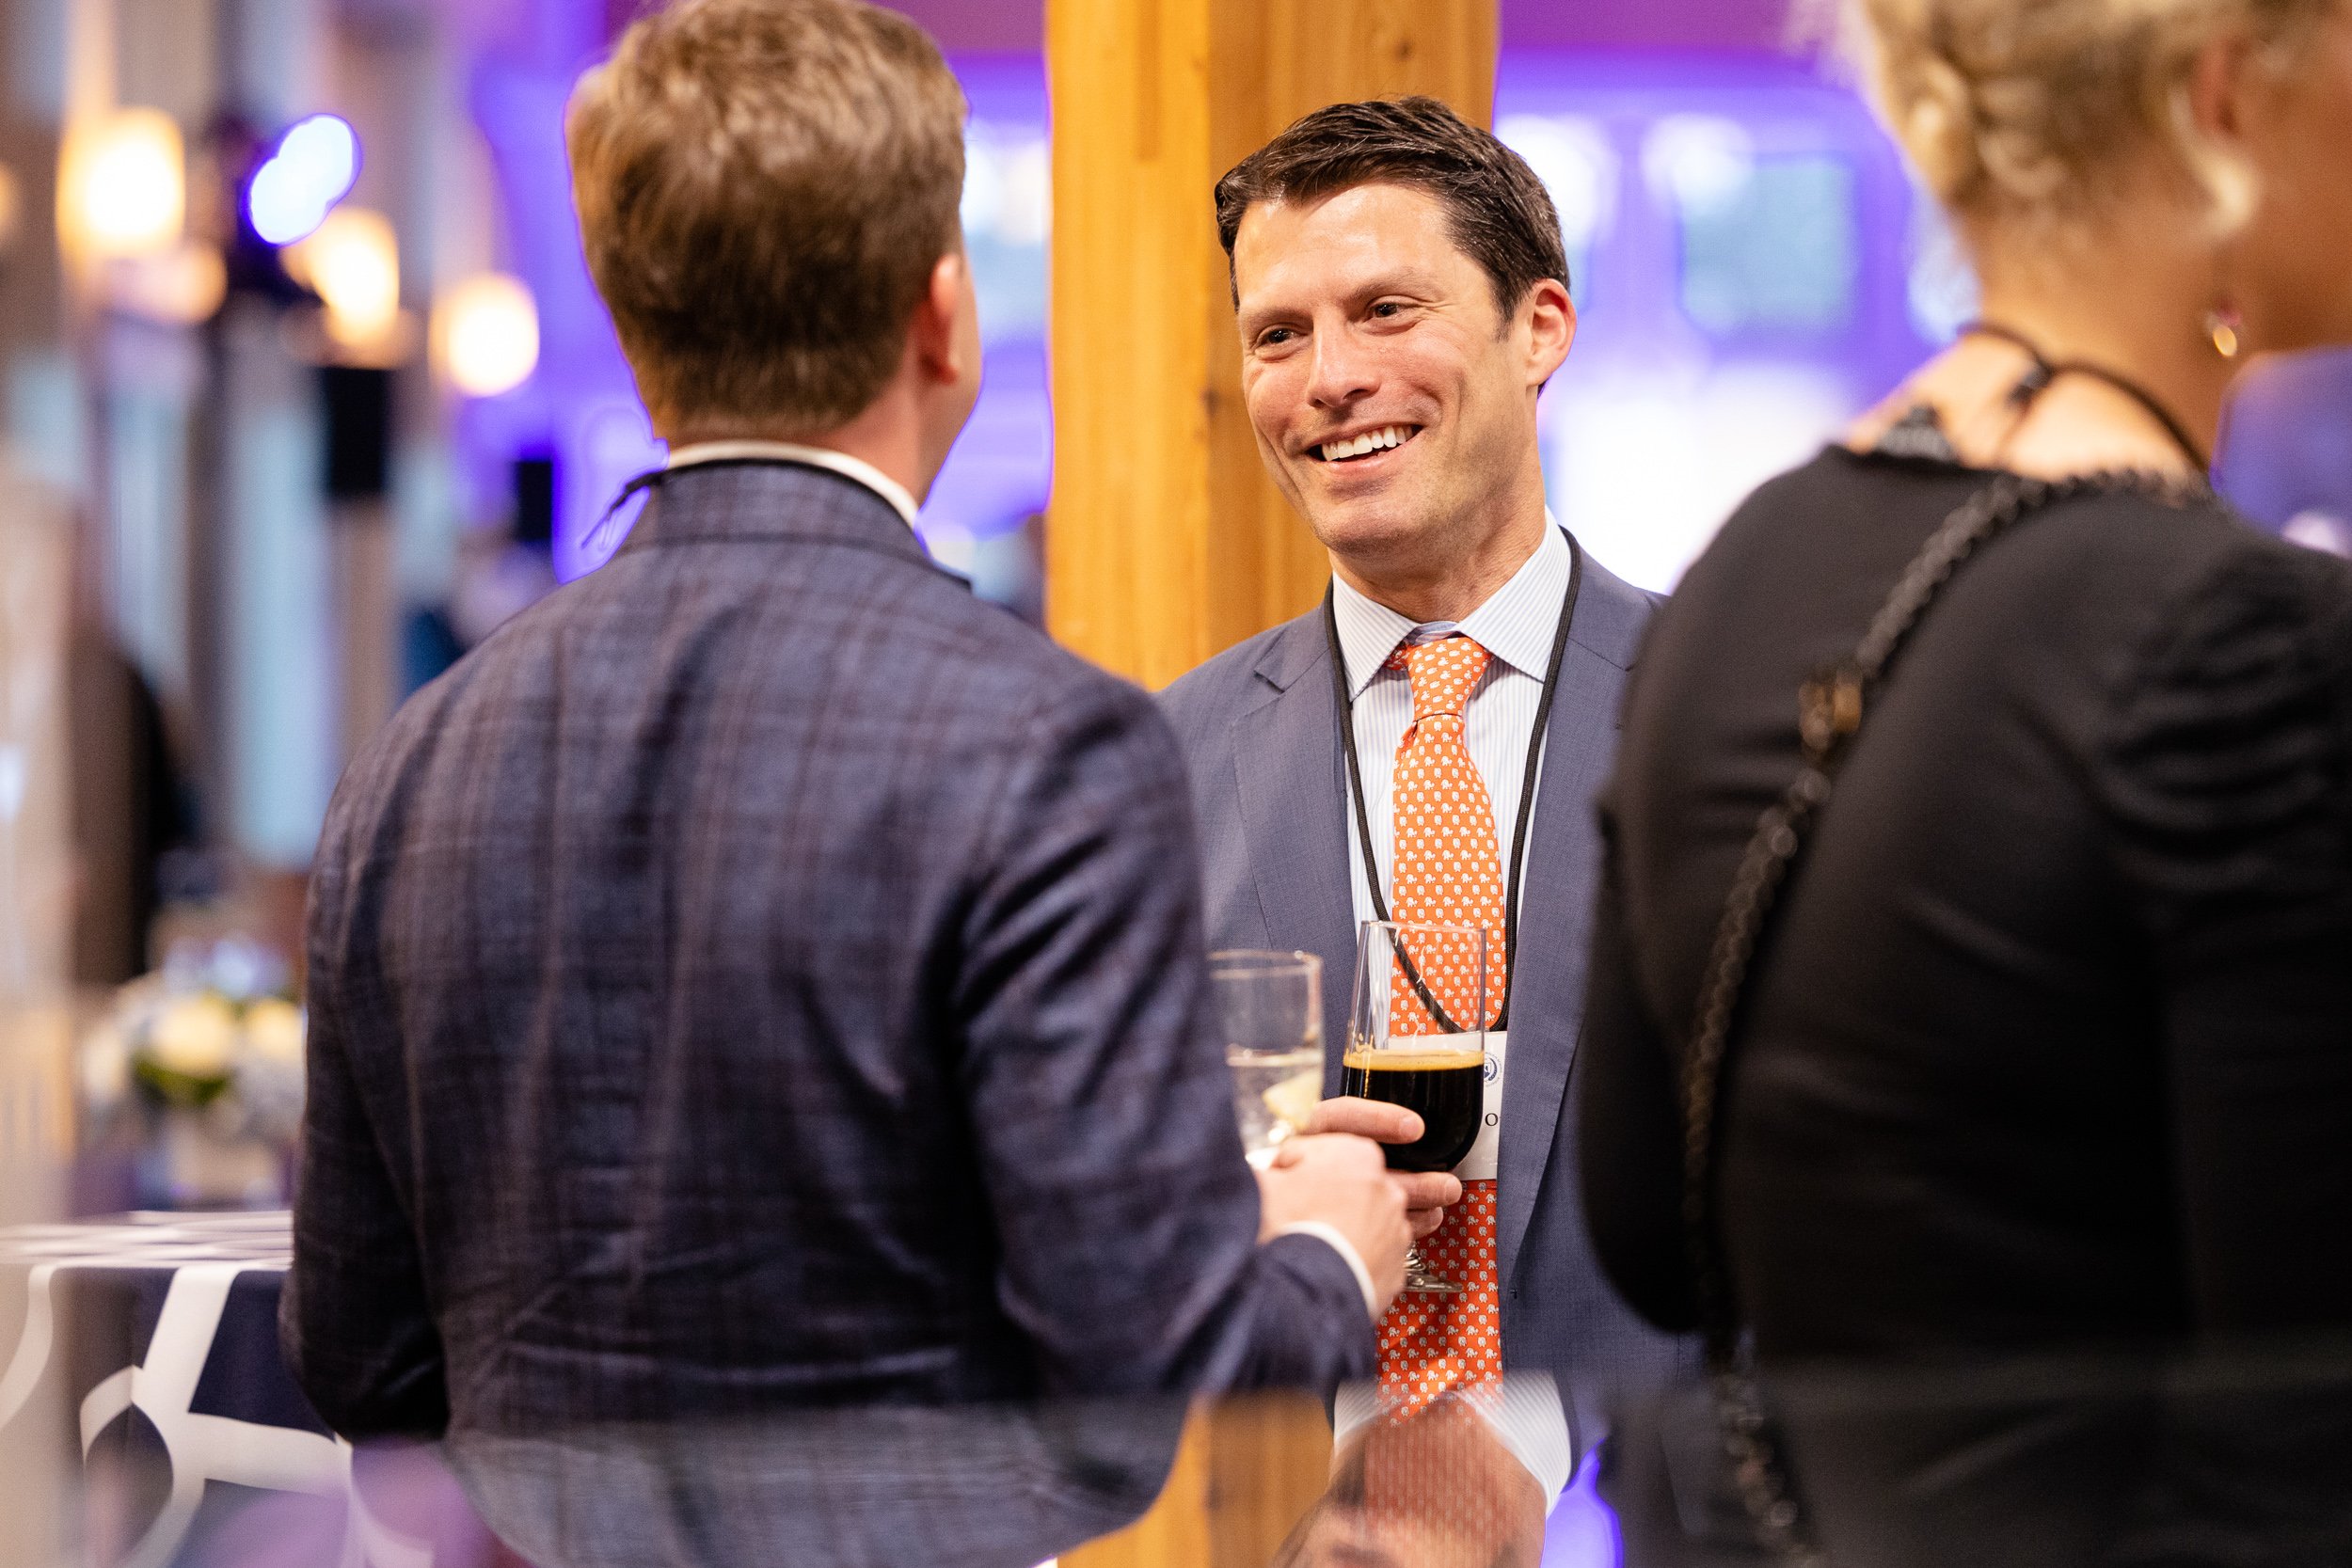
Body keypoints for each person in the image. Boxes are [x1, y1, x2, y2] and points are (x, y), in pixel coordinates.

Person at [280, 0, 1412, 1512]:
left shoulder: (413, 766)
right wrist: (1329, 1251)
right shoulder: (1049, 746)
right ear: (943, 313)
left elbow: (364, 1366)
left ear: (635, 326)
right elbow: (1126, 1381)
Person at [1576, 0, 2352, 1560]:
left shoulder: (1739, 572)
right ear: (2220, 102)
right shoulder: (2246, 637)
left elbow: (1654, 1238)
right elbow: (2309, 1382)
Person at [1158, 97, 1692, 1496]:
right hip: (1270, 1509)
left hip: (1650, 1511)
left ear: (1541, 330)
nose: (1329, 377)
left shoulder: (1720, 714)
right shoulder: (1155, 765)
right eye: (1278, 333)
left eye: (1386, 309)